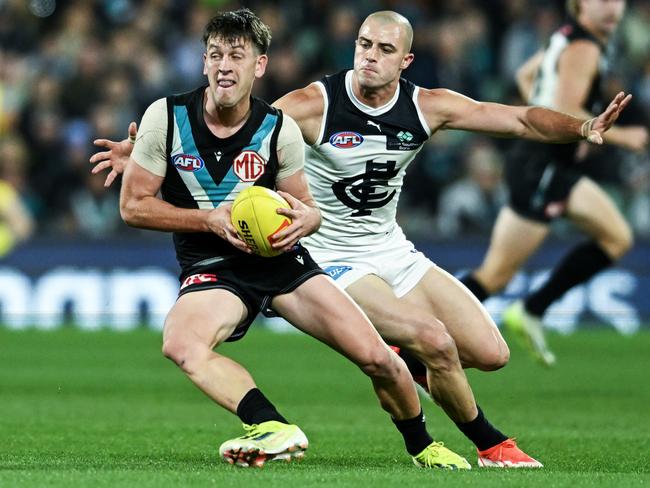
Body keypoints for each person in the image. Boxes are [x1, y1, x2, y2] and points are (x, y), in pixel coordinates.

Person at [92, 9, 630, 469]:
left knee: (490, 354)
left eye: (384, 48)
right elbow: (235, 127)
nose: (369, 56)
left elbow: (517, 120)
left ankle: (408, 370)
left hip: (390, 247)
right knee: (436, 341)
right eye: (363, 45)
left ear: (405, 61)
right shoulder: (309, 105)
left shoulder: (427, 106)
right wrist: (144, 150)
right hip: (326, 254)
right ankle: (492, 445)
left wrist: (581, 128)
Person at [101, 8, 476, 470]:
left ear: (259, 66)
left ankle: (423, 446)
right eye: (215, 55)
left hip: (282, 263)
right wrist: (210, 221)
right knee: (181, 343)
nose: (224, 66)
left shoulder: (279, 129)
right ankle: (271, 425)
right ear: (203, 62)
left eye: (237, 56)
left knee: (378, 358)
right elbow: (133, 207)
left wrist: (306, 222)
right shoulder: (166, 116)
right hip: (213, 266)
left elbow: (307, 210)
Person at [458, 0, 648, 366]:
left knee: (617, 237)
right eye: (600, 1)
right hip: (541, 167)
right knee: (494, 276)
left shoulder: (566, 38)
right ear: (578, 5)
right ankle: (414, 345)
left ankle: (532, 309)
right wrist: (620, 136)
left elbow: (527, 76)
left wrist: (545, 120)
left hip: (552, 165)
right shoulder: (585, 47)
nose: (612, 8)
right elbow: (566, 107)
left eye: (616, 0)